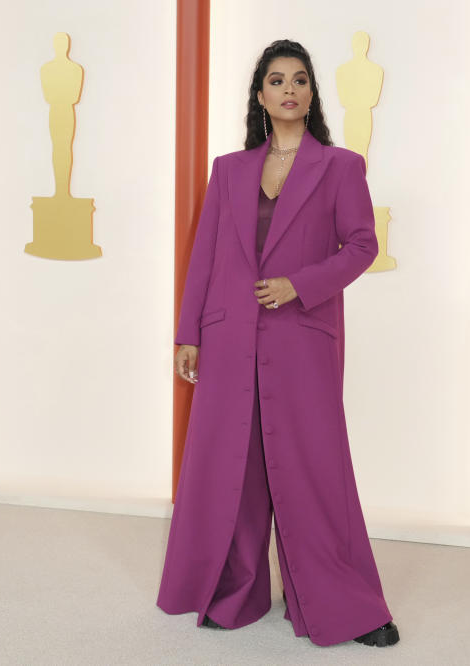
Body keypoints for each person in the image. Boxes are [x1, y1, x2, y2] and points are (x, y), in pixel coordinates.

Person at [156, 39, 399, 649]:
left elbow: (362, 246)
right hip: (228, 335)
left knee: (315, 469)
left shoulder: (340, 166)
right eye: (276, 80)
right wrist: (189, 334)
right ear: (260, 95)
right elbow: (204, 255)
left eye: (299, 79)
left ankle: (345, 603)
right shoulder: (229, 170)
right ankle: (234, 594)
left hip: (302, 339)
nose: (288, 89)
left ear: (311, 93)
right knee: (233, 468)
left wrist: (300, 284)